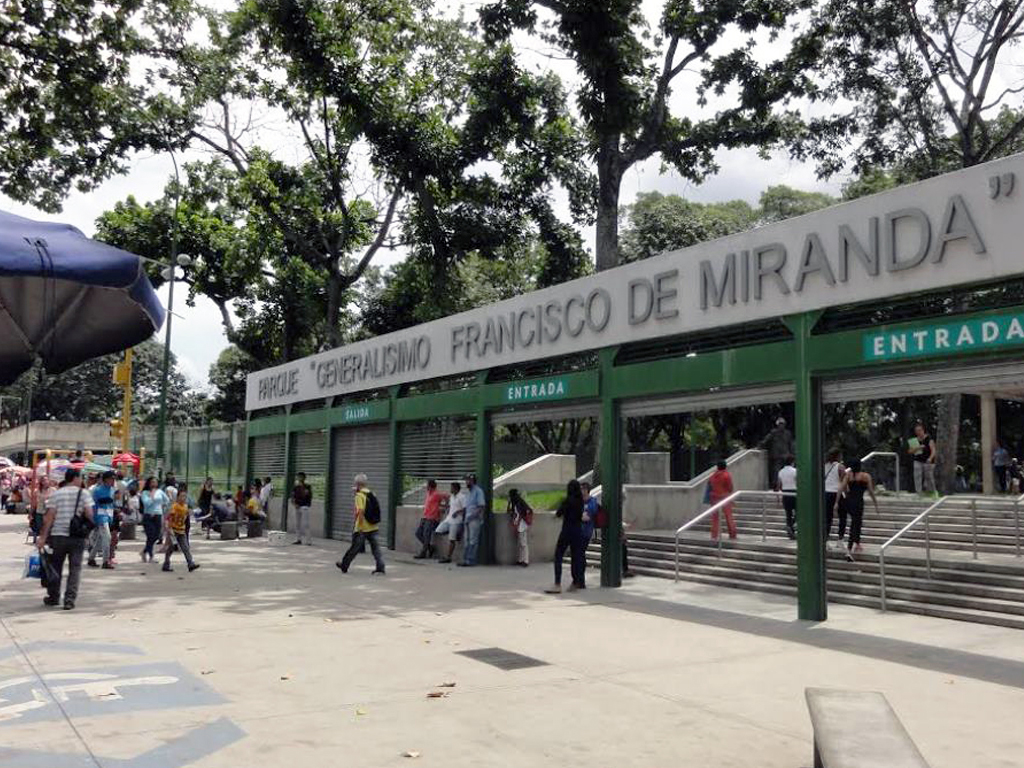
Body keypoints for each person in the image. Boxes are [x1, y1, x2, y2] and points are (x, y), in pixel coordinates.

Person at [37, 468, 95, 610]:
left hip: (58, 536)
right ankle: (69, 600)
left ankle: (54, 597)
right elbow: (89, 514)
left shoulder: (57, 493)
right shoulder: (84, 493)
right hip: (77, 537)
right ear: (75, 478)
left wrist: (43, 537)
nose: (81, 480)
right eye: (80, 477)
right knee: (75, 569)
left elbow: (49, 517)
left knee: (56, 567)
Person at [336, 473, 386, 575]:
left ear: (357, 484)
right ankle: (380, 567)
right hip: (373, 526)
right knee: (376, 549)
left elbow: (360, 512)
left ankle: (344, 565)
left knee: (354, 548)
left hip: (363, 528)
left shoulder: (359, 496)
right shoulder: (371, 494)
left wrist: (359, 526)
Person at [546, 479, 587, 593]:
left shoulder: (568, 500)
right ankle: (575, 582)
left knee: (558, 555)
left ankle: (557, 584)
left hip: (567, 530)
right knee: (575, 557)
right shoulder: (580, 502)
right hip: (578, 531)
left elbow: (559, 513)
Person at [835, 458, 878, 561]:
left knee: (856, 522)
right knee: (855, 523)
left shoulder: (848, 475)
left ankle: (857, 543)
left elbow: (841, 488)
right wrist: (875, 504)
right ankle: (849, 549)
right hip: (858, 502)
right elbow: (871, 491)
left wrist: (837, 502)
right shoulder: (865, 476)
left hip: (849, 501)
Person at [163, 488, 199, 573]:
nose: (183, 498)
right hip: (173, 530)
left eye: (185, 496)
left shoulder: (185, 507)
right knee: (171, 548)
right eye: (182, 496)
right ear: (178, 497)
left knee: (185, 548)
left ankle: (190, 564)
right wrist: (168, 529)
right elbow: (169, 517)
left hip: (181, 530)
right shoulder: (175, 506)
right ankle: (166, 564)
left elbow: (185, 517)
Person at [88, 471, 118, 569]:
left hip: (108, 515)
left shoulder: (112, 490)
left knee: (100, 539)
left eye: (114, 479)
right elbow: (99, 501)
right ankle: (105, 561)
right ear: (105, 479)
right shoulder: (98, 490)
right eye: (111, 479)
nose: (112, 481)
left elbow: (112, 503)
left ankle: (91, 558)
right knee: (107, 537)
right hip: (100, 516)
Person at [759, 417, 794, 490]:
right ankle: (776, 486)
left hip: (786, 456)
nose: (781, 426)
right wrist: (759, 446)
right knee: (776, 472)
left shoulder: (787, 433)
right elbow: (766, 440)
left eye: (783, 424)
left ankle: (784, 485)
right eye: (780, 424)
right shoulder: (773, 433)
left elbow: (790, 444)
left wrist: (791, 453)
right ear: (777, 425)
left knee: (786, 471)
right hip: (777, 456)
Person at [459, 473, 486, 567]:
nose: (466, 482)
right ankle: (465, 559)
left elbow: (481, 506)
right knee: (466, 540)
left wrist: (473, 516)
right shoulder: (468, 492)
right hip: (467, 519)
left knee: (473, 540)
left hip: (474, 519)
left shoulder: (478, 491)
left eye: (468, 480)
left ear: (472, 481)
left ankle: (471, 560)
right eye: (466, 480)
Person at [139, 477, 169, 563]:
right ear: (149, 483)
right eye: (152, 482)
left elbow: (167, 500)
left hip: (158, 515)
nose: (154, 484)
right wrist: (152, 496)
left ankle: (144, 551)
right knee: (150, 535)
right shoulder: (145, 493)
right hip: (148, 515)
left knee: (157, 535)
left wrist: (162, 506)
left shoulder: (160, 491)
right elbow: (146, 503)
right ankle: (151, 556)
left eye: (155, 482)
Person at [414, 479, 447, 559]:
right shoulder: (429, 493)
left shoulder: (436, 494)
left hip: (432, 518)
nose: (426, 487)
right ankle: (430, 548)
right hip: (425, 517)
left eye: (427, 485)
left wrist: (445, 507)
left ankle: (423, 552)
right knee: (418, 533)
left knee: (426, 535)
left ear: (431, 486)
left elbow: (447, 496)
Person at [436, 482, 465, 564]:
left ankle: (448, 557)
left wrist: (457, 512)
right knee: (438, 531)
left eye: (451, 488)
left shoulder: (462, 497)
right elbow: (450, 506)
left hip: (456, 521)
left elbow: (465, 509)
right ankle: (456, 534)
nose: (450, 489)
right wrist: (445, 508)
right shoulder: (452, 497)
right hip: (448, 519)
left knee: (451, 540)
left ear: (456, 489)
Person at [708, 459, 737, 540]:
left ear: (717, 467)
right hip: (724, 497)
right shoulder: (726, 475)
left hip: (714, 497)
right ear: (725, 466)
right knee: (728, 516)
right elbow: (730, 487)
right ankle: (732, 534)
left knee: (715, 518)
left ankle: (714, 535)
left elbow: (710, 486)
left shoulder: (713, 476)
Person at [507, 488, 533, 567]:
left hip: (522, 525)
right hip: (520, 525)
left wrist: (517, 523)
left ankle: (525, 560)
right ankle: (521, 560)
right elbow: (509, 511)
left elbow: (521, 514)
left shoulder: (518, 503)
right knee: (521, 543)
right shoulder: (517, 502)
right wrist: (509, 503)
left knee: (523, 543)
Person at [823, 448, 845, 542]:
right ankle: (840, 538)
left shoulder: (824, 466)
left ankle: (826, 538)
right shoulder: (840, 467)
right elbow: (843, 482)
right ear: (838, 456)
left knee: (828, 518)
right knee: (842, 517)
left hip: (826, 493)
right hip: (837, 493)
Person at [909, 422, 937, 494]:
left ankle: (932, 491)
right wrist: (918, 448)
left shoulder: (929, 439)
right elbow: (910, 451)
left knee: (929, 477)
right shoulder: (914, 440)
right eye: (916, 431)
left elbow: (933, 450)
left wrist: (930, 458)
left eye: (919, 430)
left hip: (927, 461)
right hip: (918, 460)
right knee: (917, 476)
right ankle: (919, 492)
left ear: (923, 430)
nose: (918, 432)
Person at [777, 455, 797, 540]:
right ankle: (792, 524)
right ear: (792, 462)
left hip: (785, 492)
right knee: (798, 512)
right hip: (794, 492)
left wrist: (778, 496)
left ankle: (790, 527)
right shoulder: (795, 471)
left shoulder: (781, 471)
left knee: (788, 513)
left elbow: (779, 484)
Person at [291, 472, 314, 545]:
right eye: (299, 477)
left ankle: (308, 540)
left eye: (301, 477)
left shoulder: (307, 486)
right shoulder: (295, 487)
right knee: (297, 524)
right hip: (297, 506)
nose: (300, 478)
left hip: (304, 506)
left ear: (304, 478)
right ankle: (298, 539)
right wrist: (295, 504)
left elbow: (309, 496)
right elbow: (292, 497)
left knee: (306, 524)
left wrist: (307, 504)